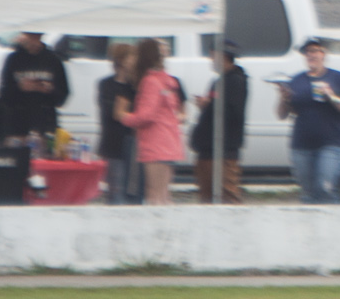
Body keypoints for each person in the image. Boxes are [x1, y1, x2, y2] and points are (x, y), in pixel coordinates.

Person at [276, 37, 340, 204]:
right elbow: (282, 115)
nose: (310, 55)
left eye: (314, 51)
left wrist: (331, 96)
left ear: (323, 54)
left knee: (326, 188)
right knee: (307, 192)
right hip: (302, 144)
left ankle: (331, 219)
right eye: (307, 52)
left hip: (332, 143)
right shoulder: (297, 80)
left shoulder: (338, 77)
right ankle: (307, 221)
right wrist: (284, 98)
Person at [125, 35, 186, 205]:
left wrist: (125, 117)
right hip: (169, 141)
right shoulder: (168, 81)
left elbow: (146, 115)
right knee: (164, 194)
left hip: (155, 143)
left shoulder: (150, 82)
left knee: (153, 194)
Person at [190, 40, 250, 203]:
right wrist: (207, 106)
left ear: (223, 56)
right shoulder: (218, 81)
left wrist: (210, 104)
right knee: (206, 197)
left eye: (213, 56)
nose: (211, 61)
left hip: (223, 150)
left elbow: (233, 113)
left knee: (228, 196)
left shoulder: (236, 81)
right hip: (207, 149)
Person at [0, 30, 64, 149]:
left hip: (44, 125)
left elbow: (63, 95)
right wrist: (20, 87)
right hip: (18, 125)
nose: (33, 41)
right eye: (30, 37)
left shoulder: (53, 60)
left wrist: (48, 90)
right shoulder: (13, 59)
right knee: (18, 156)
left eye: (36, 37)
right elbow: (3, 95)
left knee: (44, 157)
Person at [97, 40, 140, 204]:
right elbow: (112, 113)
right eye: (132, 57)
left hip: (133, 144)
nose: (135, 61)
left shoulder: (136, 85)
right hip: (113, 143)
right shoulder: (106, 84)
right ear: (121, 60)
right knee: (116, 192)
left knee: (132, 192)